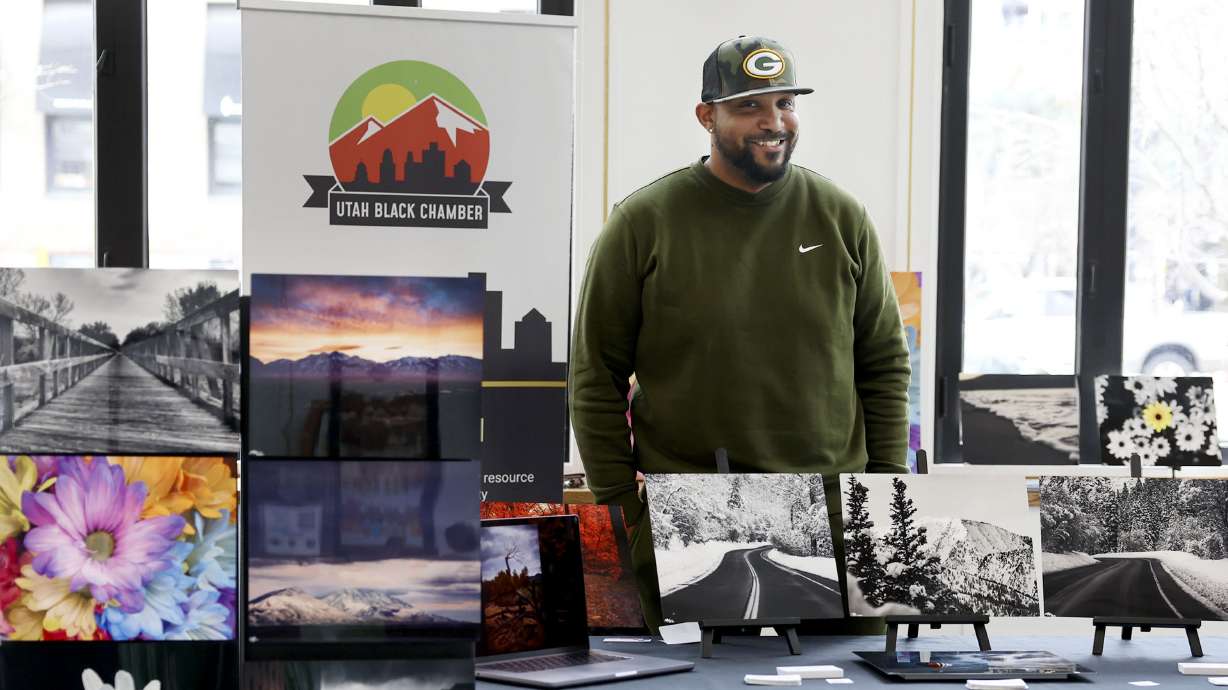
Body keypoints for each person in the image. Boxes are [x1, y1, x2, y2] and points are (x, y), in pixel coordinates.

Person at [569, 36, 911, 629]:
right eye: (751, 106)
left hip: (835, 522)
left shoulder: (840, 214)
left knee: (852, 677)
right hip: (690, 521)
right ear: (707, 116)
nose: (773, 122)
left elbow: (883, 364)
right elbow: (593, 377)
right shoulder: (643, 222)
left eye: (784, 103)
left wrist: (884, 495)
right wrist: (622, 507)